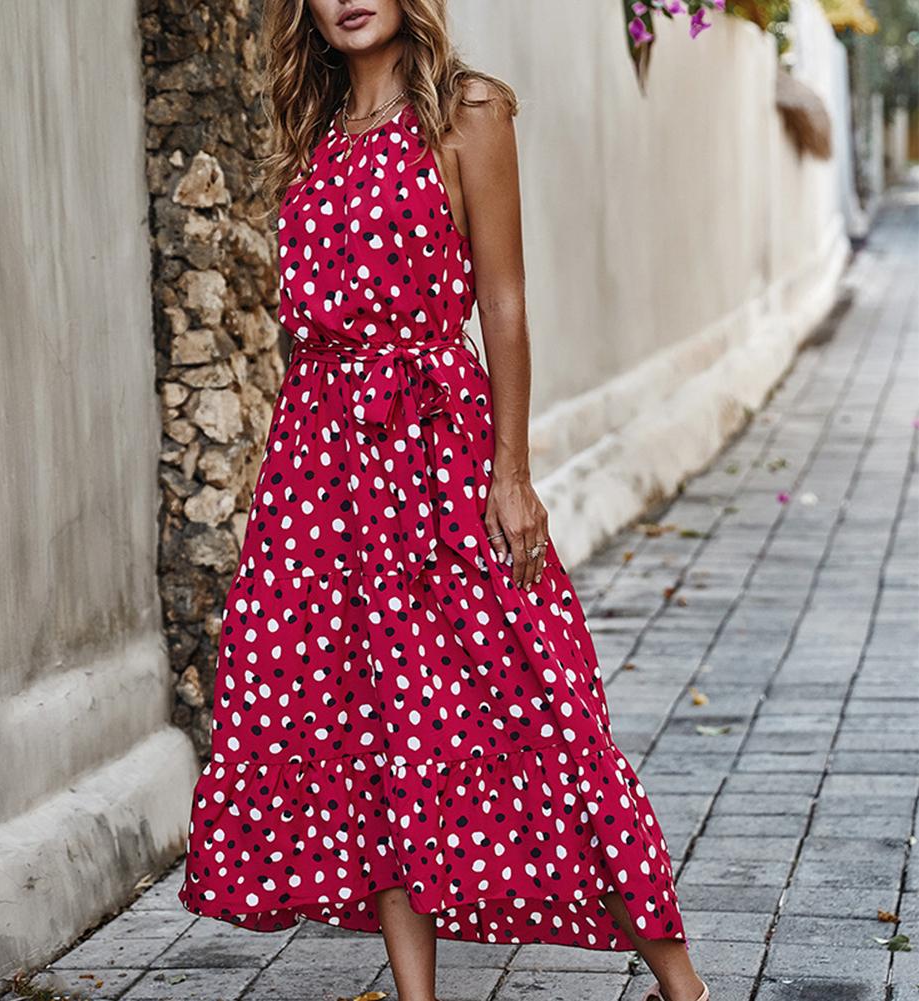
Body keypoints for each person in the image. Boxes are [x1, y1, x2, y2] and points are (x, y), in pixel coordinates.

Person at [178, 2, 709, 1000]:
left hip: (437, 452)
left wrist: (509, 474)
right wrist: (296, 486)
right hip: (322, 473)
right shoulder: (319, 132)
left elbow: (502, 300)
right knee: (367, 729)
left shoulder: (465, 111)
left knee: (542, 710)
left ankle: (682, 984)